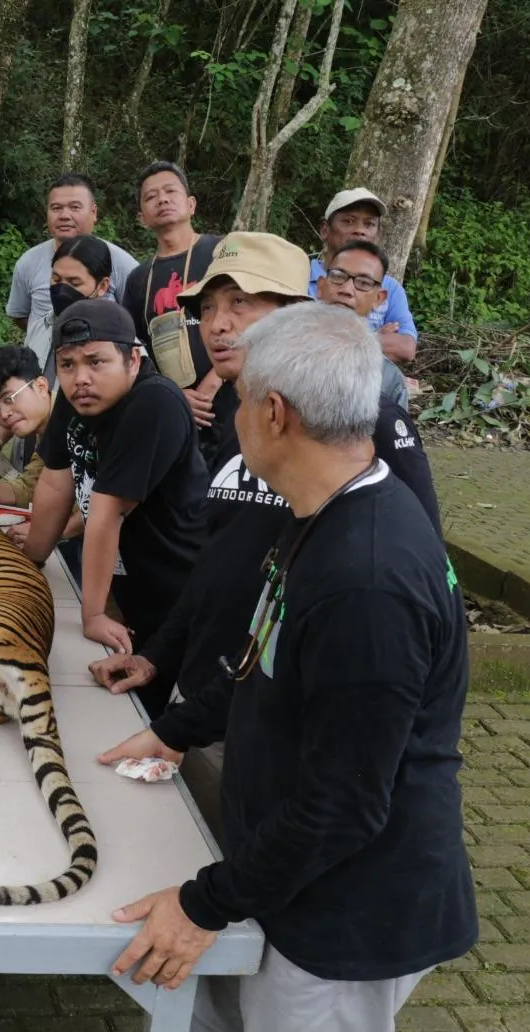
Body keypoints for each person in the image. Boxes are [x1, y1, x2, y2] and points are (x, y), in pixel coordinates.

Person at [101, 302, 476, 1032]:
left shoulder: (367, 581)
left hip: (345, 918)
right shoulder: (323, 511)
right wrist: (173, 729)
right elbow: (260, 655)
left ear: (274, 413)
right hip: (279, 880)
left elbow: (345, 803)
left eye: (239, 397)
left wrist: (204, 905)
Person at [91, 233, 440, 833]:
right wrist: (160, 656)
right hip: (211, 697)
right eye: (206, 310)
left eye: (241, 306)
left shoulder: (356, 424)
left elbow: (414, 575)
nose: (219, 326)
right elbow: (220, 560)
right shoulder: (238, 412)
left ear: (294, 314)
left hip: (282, 721)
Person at [19, 299, 208, 693]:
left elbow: (107, 513)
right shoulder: (75, 402)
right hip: (123, 577)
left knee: (149, 697)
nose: (79, 378)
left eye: (96, 361)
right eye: (67, 364)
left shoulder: (154, 403)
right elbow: (56, 482)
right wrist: (30, 561)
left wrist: (91, 614)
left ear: (133, 361)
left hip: (174, 581)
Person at [0, 235, 119, 470]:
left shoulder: (118, 345)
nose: (61, 289)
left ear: (103, 286)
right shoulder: (40, 326)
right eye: (56, 279)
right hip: (34, 454)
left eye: (74, 283)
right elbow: (18, 388)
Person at [121, 162, 223, 437]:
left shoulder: (223, 252)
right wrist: (171, 394)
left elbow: (257, 321)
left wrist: (216, 379)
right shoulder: (139, 278)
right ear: (142, 217)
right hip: (174, 410)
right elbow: (136, 348)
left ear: (191, 204)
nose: (162, 199)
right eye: (151, 197)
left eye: (170, 191)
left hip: (231, 398)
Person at [0, 345, 83, 552]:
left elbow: (106, 501)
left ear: (41, 386)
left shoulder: (79, 419)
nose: (4, 415)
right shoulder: (47, 430)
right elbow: (27, 490)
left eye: (9, 399)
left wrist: (47, 533)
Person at [6, 172, 138, 337]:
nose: (64, 216)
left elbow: (137, 319)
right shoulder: (28, 262)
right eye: (56, 208)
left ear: (93, 212)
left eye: (75, 207)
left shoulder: (121, 263)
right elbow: (20, 315)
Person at [307, 188, 418, 366]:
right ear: (325, 230)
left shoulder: (390, 287)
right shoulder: (299, 275)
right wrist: (374, 339)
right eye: (348, 221)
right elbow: (289, 339)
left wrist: (323, 339)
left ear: (377, 235)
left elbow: (405, 349)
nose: (360, 230)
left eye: (369, 224)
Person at [316, 238, 412, 410]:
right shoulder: (282, 356)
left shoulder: (387, 379)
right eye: (338, 276)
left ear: (378, 299)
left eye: (363, 283)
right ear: (320, 287)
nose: (346, 290)